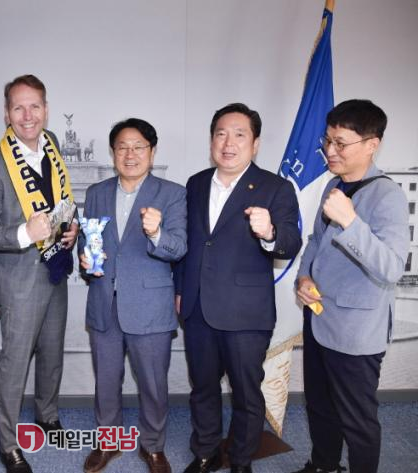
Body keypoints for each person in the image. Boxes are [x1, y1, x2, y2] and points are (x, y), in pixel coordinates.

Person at [174, 103, 301, 473]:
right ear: (212, 140)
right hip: (197, 307)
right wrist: (180, 288)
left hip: (246, 312)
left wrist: (270, 232)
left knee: (246, 393)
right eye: (221, 134)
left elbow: (290, 242)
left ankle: (242, 460)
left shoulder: (276, 188)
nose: (228, 143)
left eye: (239, 135)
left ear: (255, 143)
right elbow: (187, 243)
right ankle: (206, 452)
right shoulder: (196, 183)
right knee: (203, 388)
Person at [293, 100, 409, 473]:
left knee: (357, 420)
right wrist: (304, 277)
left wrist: (350, 222)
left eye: (341, 143)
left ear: (372, 144)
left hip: (357, 331)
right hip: (319, 317)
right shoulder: (334, 185)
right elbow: (316, 242)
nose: (330, 151)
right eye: (327, 141)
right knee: (319, 405)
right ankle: (324, 465)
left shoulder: (387, 195)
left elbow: (391, 267)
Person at [0, 74, 78, 473]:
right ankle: (8, 444)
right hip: (18, 280)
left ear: (46, 110)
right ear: (7, 113)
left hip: (55, 268)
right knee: (15, 363)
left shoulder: (53, 146)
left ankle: (47, 416)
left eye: (35, 106)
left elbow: (61, 203)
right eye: (18, 107)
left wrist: (71, 230)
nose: (28, 115)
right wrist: (24, 233)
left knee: (52, 354)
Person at [79, 118, 187, 473]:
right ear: (113, 153)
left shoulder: (172, 193)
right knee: (106, 382)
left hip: (149, 306)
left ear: (152, 152)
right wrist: (85, 259)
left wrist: (156, 233)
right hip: (104, 303)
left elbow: (179, 248)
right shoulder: (96, 192)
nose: (130, 154)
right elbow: (89, 239)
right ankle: (108, 442)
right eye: (122, 147)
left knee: (153, 384)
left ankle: (153, 446)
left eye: (139, 147)